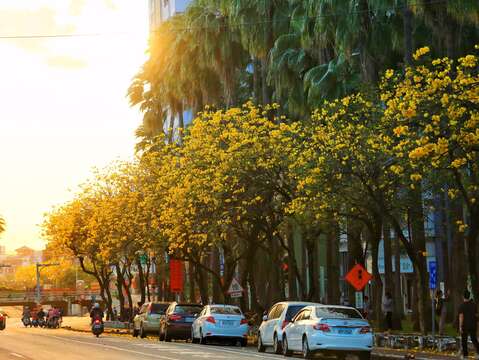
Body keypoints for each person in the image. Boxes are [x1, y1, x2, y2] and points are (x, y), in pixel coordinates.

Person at [458, 290, 479, 359]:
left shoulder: (461, 306)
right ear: (469, 296)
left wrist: (460, 327)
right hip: (473, 324)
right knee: (474, 340)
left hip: (465, 325)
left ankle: (465, 355)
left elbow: (461, 317)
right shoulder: (474, 305)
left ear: (463, 296)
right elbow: (476, 316)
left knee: (464, 340)